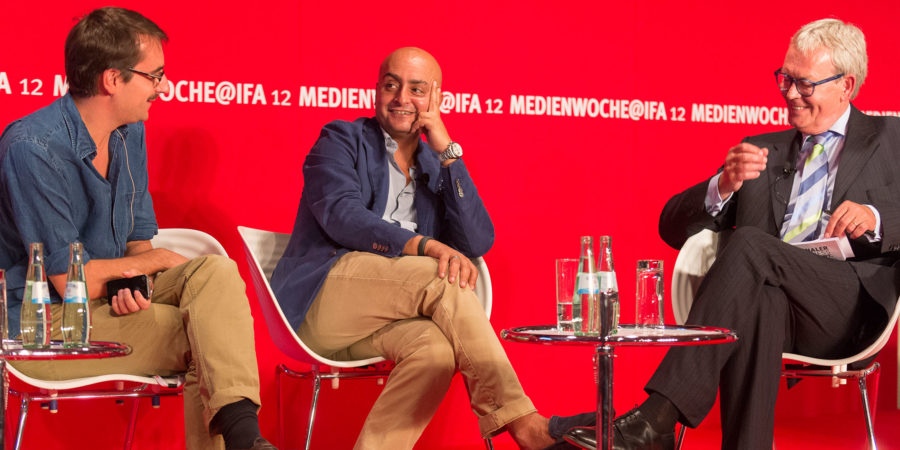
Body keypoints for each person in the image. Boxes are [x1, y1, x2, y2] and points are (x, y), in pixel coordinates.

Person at [560, 18, 900, 450]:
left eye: (805, 84)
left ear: (845, 85)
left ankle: (658, 417)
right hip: (776, 307)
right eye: (785, 79)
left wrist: (876, 216)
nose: (790, 94)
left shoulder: (891, 138)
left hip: (847, 309)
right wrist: (721, 186)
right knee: (762, 302)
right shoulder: (762, 150)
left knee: (750, 243)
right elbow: (670, 227)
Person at [0, 8, 274, 450]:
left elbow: (137, 241)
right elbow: (70, 281)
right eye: (155, 75)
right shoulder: (32, 148)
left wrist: (135, 281)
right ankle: (245, 438)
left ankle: (245, 438)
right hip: (44, 325)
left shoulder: (129, 133)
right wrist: (153, 262)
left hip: (102, 303)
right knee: (207, 337)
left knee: (215, 272)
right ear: (113, 79)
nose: (163, 87)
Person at [270, 47, 559, 449]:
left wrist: (448, 153)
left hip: (382, 320)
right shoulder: (341, 139)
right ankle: (523, 424)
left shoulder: (433, 165)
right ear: (377, 90)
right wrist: (422, 244)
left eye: (417, 89)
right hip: (322, 303)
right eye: (391, 85)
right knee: (438, 274)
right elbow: (341, 216)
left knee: (435, 352)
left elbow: (477, 241)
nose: (401, 98)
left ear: (436, 98)